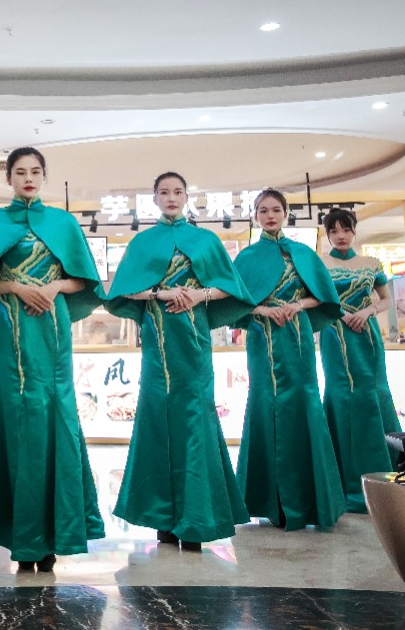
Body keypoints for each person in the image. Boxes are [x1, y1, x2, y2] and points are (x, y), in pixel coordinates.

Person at [0, 147, 105, 573]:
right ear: (7, 178)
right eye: (20, 172)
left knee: (56, 418)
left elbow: (85, 281)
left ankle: (54, 533)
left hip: (53, 329)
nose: (28, 178)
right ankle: (22, 537)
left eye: (35, 172)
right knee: (15, 417)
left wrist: (54, 286)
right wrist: (16, 288)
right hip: (10, 326)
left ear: (44, 177)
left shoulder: (63, 223)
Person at [105, 171, 255, 551]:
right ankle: (163, 518)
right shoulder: (142, 242)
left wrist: (198, 294)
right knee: (157, 419)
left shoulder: (206, 241)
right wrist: (161, 293)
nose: (171, 197)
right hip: (157, 344)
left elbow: (230, 288)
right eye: (164, 192)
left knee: (195, 420)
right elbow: (123, 291)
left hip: (195, 343)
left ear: (187, 197)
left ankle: (197, 519)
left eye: (177, 191)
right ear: (154, 198)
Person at [233, 189, 346, 530]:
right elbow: (233, 302)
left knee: (303, 403)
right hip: (262, 337)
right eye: (263, 211)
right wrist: (264, 310)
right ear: (255, 216)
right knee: (264, 403)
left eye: (276, 210)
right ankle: (269, 502)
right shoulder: (246, 258)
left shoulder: (303, 253)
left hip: (297, 336)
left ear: (286, 213)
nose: (270, 216)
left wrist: (297, 305)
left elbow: (323, 297)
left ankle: (308, 502)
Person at [318, 208, 400, 512]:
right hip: (334, 333)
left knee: (373, 393)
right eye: (334, 231)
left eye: (346, 229)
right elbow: (316, 299)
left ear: (354, 230)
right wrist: (340, 314)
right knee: (340, 395)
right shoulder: (318, 263)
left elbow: (386, 298)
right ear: (327, 234)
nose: (341, 236)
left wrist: (367, 311)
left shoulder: (371, 263)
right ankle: (343, 482)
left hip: (367, 335)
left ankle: (387, 476)